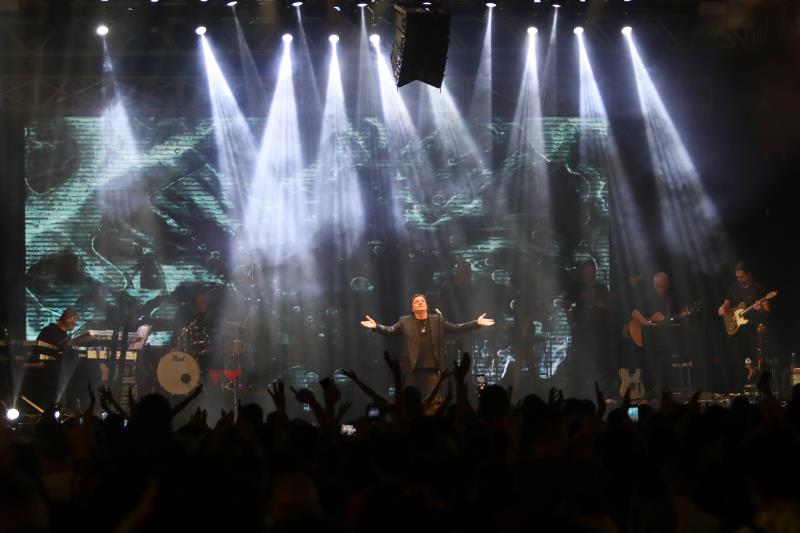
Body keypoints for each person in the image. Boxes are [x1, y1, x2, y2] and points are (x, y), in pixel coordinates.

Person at [360, 294, 495, 398]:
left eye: (422, 301)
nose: (420, 302)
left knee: (434, 403)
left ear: (427, 306)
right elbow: (389, 330)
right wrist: (376, 327)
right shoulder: (404, 321)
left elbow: (456, 328)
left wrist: (476, 323)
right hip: (412, 371)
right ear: (412, 308)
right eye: (416, 301)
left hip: (433, 371)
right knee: (412, 403)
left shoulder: (437, 320)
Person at [717, 262, 770, 391]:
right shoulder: (734, 288)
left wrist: (759, 309)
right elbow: (723, 307)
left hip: (753, 331)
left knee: (755, 360)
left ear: (749, 274)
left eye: (742, 276)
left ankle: (758, 389)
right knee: (739, 360)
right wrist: (723, 309)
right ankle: (738, 390)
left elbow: (767, 310)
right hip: (737, 332)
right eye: (737, 277)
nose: (739, 279)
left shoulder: (758, 288)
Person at [563, 259, 610, 391]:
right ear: (583, 273)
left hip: (599, 329)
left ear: (595, 272)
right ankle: (581, 383)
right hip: (581, 328)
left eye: (592, 271)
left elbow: (608, 305)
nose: (590, 274)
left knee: (598, 356)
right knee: (581, 355)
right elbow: (566, 304)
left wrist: (602, 305)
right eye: (587, 272)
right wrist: (571, 320)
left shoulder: (601, 287)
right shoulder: (577, 287)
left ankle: (598, 383)